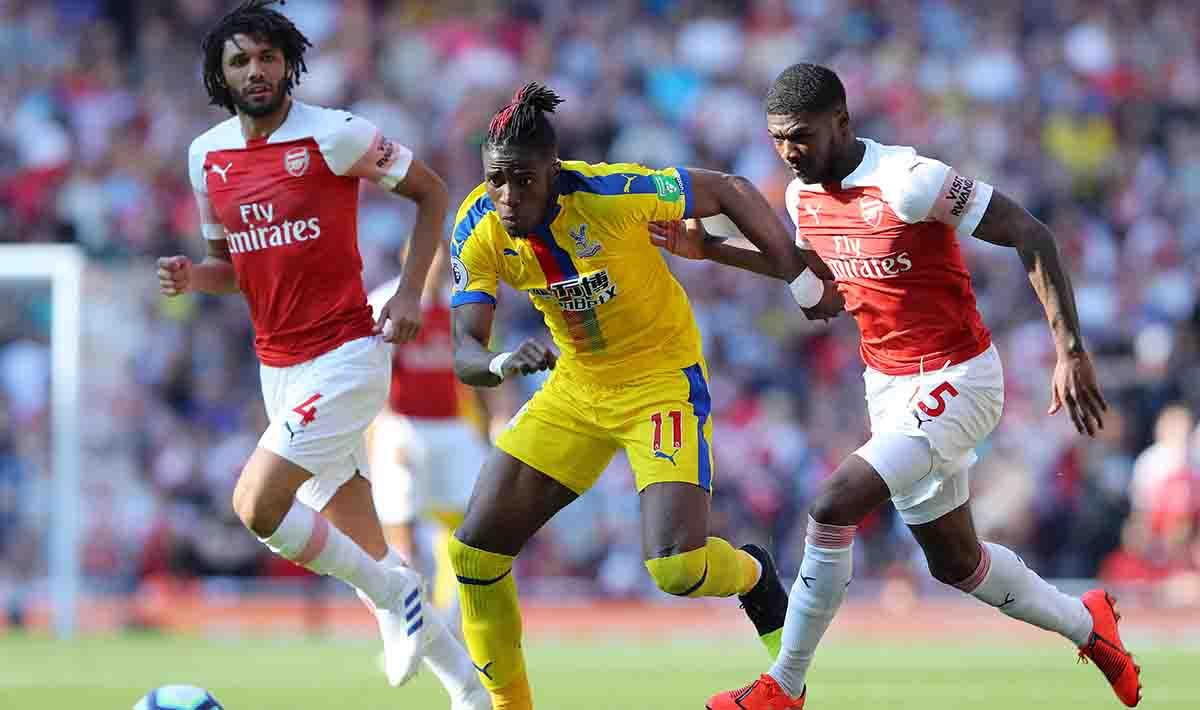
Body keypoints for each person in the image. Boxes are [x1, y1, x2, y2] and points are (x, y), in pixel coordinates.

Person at [651, 63, 1142, 710]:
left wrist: (1070, 350)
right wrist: (715, 251)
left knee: (833, 503)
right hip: (888, 391)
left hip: (958, 378)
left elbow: (1031, 233)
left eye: (799, 136)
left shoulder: (911, 182)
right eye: (777, 139)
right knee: (957, 563)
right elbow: (826, 295)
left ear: (843, 123)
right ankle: (1091, 627)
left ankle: (784, 686)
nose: (787, 152)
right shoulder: (803, 198)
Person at [154, 2, 486, 707]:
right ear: (220, 73)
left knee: (257, 504)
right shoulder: (205, 155)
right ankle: (468, 691)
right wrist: (195, 275)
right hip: (278, 369)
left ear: (288, 63)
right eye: (240, 60)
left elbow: (433, 192)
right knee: (369, 553)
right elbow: (230, 266)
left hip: (346, 354)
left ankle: (396, 594)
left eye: (267, 57)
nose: (256, 70)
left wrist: (411, 299)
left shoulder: (336, 135)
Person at [446, 82, 815, 710]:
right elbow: (463, 350)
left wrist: (798, 274)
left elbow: (727, 189)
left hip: (659, 384)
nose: (508, 196)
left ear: (553, 170)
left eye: (524, 180)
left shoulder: (612, 192)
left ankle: (752, 573)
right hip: (577, 388)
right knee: (474, 554)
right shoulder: (478, 225)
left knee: (676, 569)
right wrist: (505, 360)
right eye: (496, 180)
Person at [367, 242, 490, 620]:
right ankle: (409, 619)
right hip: (403, 425)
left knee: (469, 530)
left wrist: (488, 425)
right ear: (410, 258)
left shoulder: (461, 306)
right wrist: (385, 429)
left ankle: (450, 622)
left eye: (443, 256)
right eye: (430, 254)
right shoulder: (387, 301)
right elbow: (372, 373)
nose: (438, 264)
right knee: (402, 527)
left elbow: (478, 371)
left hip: (454, 427)